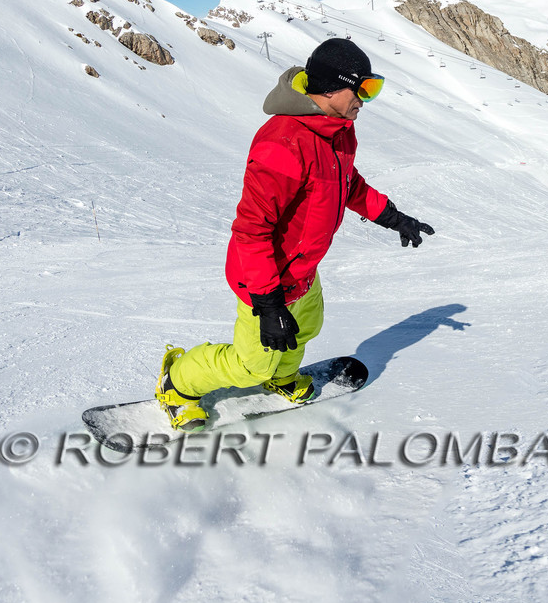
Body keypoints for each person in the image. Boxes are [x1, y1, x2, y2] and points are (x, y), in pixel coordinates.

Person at [154, 38, 433, 430]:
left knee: (305, 328)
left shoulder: (338, 130)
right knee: (251, 363)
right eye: (364, 88)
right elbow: (252, 229)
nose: (365, 100)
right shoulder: (283, 143)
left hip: (303, 270)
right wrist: (267, 304)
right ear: (334, 87)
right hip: (263, 278)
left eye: (374, 89)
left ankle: (282, 376)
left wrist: (393, 217)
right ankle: (178, 381)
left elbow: (347, 184)